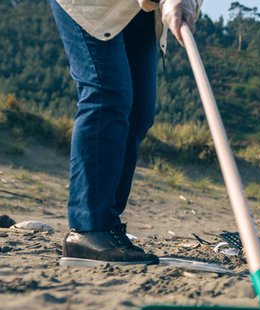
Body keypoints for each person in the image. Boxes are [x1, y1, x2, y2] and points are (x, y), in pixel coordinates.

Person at [50, 0, 200, 266]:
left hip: (140, 9)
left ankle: (107, 227)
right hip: (90, 5)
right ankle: (90, 227)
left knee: (139, 113)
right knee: (107, 95)